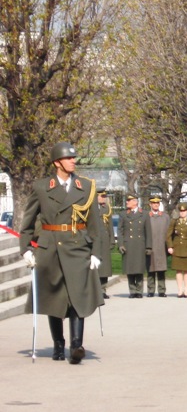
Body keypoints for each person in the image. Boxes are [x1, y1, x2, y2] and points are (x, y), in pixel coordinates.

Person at [19, 142, 103, 364]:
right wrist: (26, 249)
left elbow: (95, 224)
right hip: (50, 246)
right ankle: (58, 343)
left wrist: (97, 252)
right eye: (69, 158)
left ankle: (77, 345)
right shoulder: (41, 186)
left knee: (78, 295)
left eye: (74, 158)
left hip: (77, 246)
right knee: (54, 297)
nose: (73, 161)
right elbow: (27, 221)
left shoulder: (86, 186)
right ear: (57, 162)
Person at [117, 193, 148, 299]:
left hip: (140, 244)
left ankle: (139, 291)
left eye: (129, 201)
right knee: (130, 269)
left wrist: (148, 247)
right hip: (128, 244)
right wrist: (120, 244)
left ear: (135, 202)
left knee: (139, 268)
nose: (127, 202)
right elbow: (120, 230)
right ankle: (132, 290)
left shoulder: (144, 214)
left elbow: (147, 231)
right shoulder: (123, 214)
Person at [166, 203, 187, 298]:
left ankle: (186, 289)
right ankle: (180, 289)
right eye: (181, 211)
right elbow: (168, 235)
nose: (182, 213)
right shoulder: (174, 221)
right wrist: (170, 246)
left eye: (184, 211)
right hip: (177, 248)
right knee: (178, 271)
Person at [145, 195, 169, 297]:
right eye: (153, 203)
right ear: (150, 204)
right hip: (150, 246)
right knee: (150, 269)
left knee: (161, 269)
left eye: (157, 203)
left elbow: (168, 232)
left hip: (161, 246)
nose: (155, 205)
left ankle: (162, 290)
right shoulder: (146, 216)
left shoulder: (165, 216)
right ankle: (151, 290)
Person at [96, 189, 114, 299]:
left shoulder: (106, 208)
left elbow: (110, 225)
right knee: (95, 267)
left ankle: (103, 290)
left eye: (104, 196)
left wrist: (112, 240)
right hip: (95, 240)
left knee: (105, 267)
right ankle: (96, 290)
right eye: (102, 196)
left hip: (105, 241)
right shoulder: (91, 208)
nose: (104, 198)